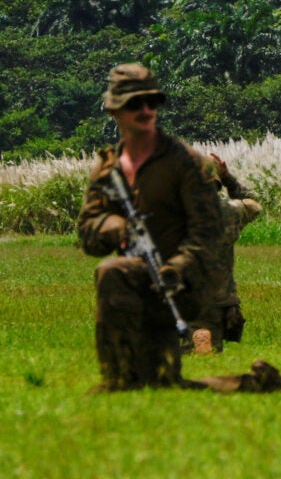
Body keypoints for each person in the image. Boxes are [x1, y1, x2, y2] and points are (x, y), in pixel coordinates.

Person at [75, 64, 223, 392]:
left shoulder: (184, 162)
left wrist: (179, 266)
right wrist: (116, 228)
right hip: (134, 279)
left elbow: (209, 231)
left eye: (151, 103)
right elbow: (87, 231)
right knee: (112, 270)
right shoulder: (107, 166)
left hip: (184, 284)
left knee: (117, 273)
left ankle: (130, 378)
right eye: (134, 104)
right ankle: (120, 378)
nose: (145, 111)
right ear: (115, 110)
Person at [190, 152, 263, 356]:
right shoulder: (232, 210)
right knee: (213, 353)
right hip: (220, 300)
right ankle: (206, 343)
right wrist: (230, 179)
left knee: (183, 353)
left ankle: (196, 340)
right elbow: (254, 204)